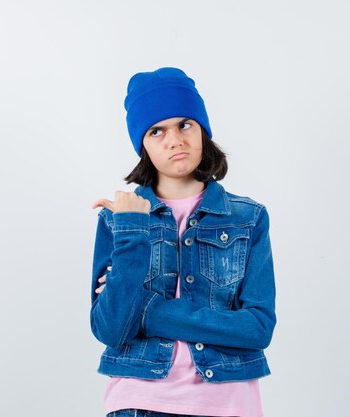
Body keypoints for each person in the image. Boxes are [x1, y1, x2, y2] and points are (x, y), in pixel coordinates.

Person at [90, 67, 276, 417]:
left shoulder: (248, 218)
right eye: (157, 130)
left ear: (202, 129)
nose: (174, 140)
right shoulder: (118, 218)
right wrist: (131, 229)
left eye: (184, 124)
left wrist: (145, 311)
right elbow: (110, 328)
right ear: (142, 143)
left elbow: (257, 328)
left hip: (228, 404)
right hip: (138, 403)